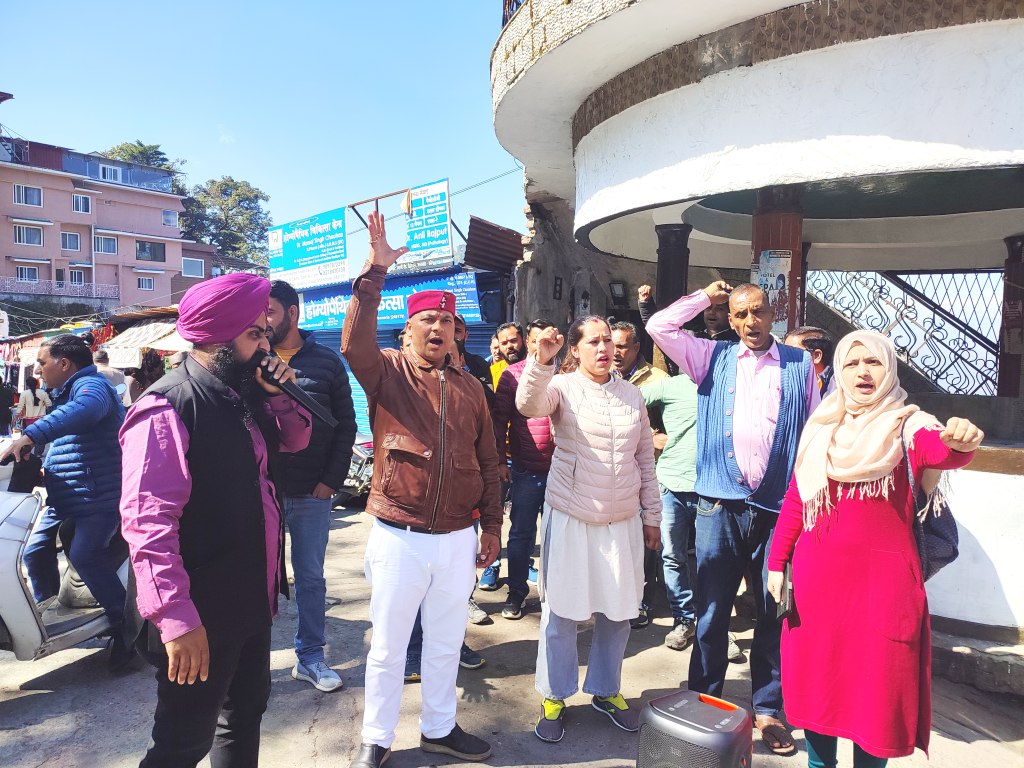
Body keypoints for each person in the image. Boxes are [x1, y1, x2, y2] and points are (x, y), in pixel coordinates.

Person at [120, 273, 311, 768]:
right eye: (255, 334)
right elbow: (148, 524)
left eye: (265, 333)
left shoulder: (243, 392)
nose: (266, 345)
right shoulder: (167, 406)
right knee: (182, 743)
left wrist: (280, 393)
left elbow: (296, 440)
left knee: (244, 716)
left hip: (251, 597)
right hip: (199, 610)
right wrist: (176, 619)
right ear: (217, 339)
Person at [767, 330, 983, 767]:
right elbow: (797, 497)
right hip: (817, 586)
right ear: (838, 370)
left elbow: (941, 452)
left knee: (876, 697)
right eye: (851, 363)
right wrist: (776, 562)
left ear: (889, 368)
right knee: (819, 685)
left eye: (873, 362)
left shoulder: (909, 425)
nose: (862, 372)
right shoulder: (823, 426)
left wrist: (961, 443)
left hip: (884, 590)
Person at [341, 211, 501, 768]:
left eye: (446, 321)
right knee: (388, 648)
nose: (437, 329)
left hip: (458, 537)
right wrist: (374, 273)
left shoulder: (472, 389)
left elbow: (489, 462)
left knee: (445, 643)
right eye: (427, 320)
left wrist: (493, 526)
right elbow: (353, 344)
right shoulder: (386, 371)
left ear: (457, 332)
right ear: (408, 329)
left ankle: (439, 727)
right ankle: (377, 738)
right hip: (399, 535)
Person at [646, 280, 820, 757]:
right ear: (731, 317)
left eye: (757, 312)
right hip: (718, 508)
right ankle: (704, 701)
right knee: (711, 611)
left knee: (773, 611)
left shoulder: (799, 364)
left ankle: (768, 709)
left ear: (772, 313)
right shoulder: (710, 357)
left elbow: (814, 431)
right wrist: (706, 296)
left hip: (778, 510)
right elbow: (659, 326)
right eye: (740, 314)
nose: (749, 322)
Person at [517, 316, 662, 744]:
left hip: (622, 521)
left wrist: (652, 515)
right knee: (562, 612)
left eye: (608, 342)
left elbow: (644, 459)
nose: (603, 349)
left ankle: (605, 690)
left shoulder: (632, 394)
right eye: (594, 341)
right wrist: (540, 362)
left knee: (618, 611)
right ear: (575, 349)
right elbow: (529, 405)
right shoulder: (561, 387)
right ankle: (554, 696)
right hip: (571, 516)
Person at [2, 335, 128, 667]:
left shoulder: (92, 387)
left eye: (42, 363)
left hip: (97, 497)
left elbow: (85, 411)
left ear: (64, 364)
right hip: (65, 497)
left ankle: (126, 629)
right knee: (34, 551)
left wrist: (31, 436)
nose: (37, 370)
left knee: (85, 556)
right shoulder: (66, 393)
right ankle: (50, 616)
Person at [266, 279, 358, 693]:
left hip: (311, 492)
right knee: (256, 578)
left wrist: (330, 481)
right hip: (262, 492)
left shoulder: (326, 361)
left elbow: (346, 425)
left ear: (292, 312)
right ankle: (252, 664)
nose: (264, 322)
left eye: (270, 312)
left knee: (309, 578)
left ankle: (311, 657)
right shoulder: (250, 359)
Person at [492, 318, 556, 621]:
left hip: (562, 472)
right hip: (525, 470)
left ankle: (557, 594)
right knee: (520, 534)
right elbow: (499, 421)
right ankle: (516, 592)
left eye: (547, 340)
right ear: (528, 343)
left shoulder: (566, 374)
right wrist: (499, 461)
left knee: (560, 536)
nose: (541, 345)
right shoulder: (511, 375)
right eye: (535, 340)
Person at [610, 320, 667, 629]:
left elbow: (671, 423)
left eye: (622, 346)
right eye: (612, 346)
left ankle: (641, 600)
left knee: (646, 541)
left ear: (636, 348)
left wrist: (658, 438)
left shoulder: (658, 379)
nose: (615, 353)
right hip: (611, 474)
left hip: (647, 470)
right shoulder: (601, 376)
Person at [640, 371, 700, 651]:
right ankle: (684, 619)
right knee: (673, 556)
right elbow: (625, 402)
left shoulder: (727, 383)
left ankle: (714, 626)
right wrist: (651, 435)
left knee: (712, 560)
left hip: (712, 489)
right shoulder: (669, 386)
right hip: (671, 484)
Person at [785, 326, 836, 398]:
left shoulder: (838, 387)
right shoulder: (786, 382)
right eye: (784, 353)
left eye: (792, 353)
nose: (785, 359)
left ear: (816, 356)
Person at [490, 321, 524, 389]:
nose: (509, 346)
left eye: (513, 341)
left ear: (524, 341)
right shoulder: (493, 372)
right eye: (504, 343)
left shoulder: (536, 367)